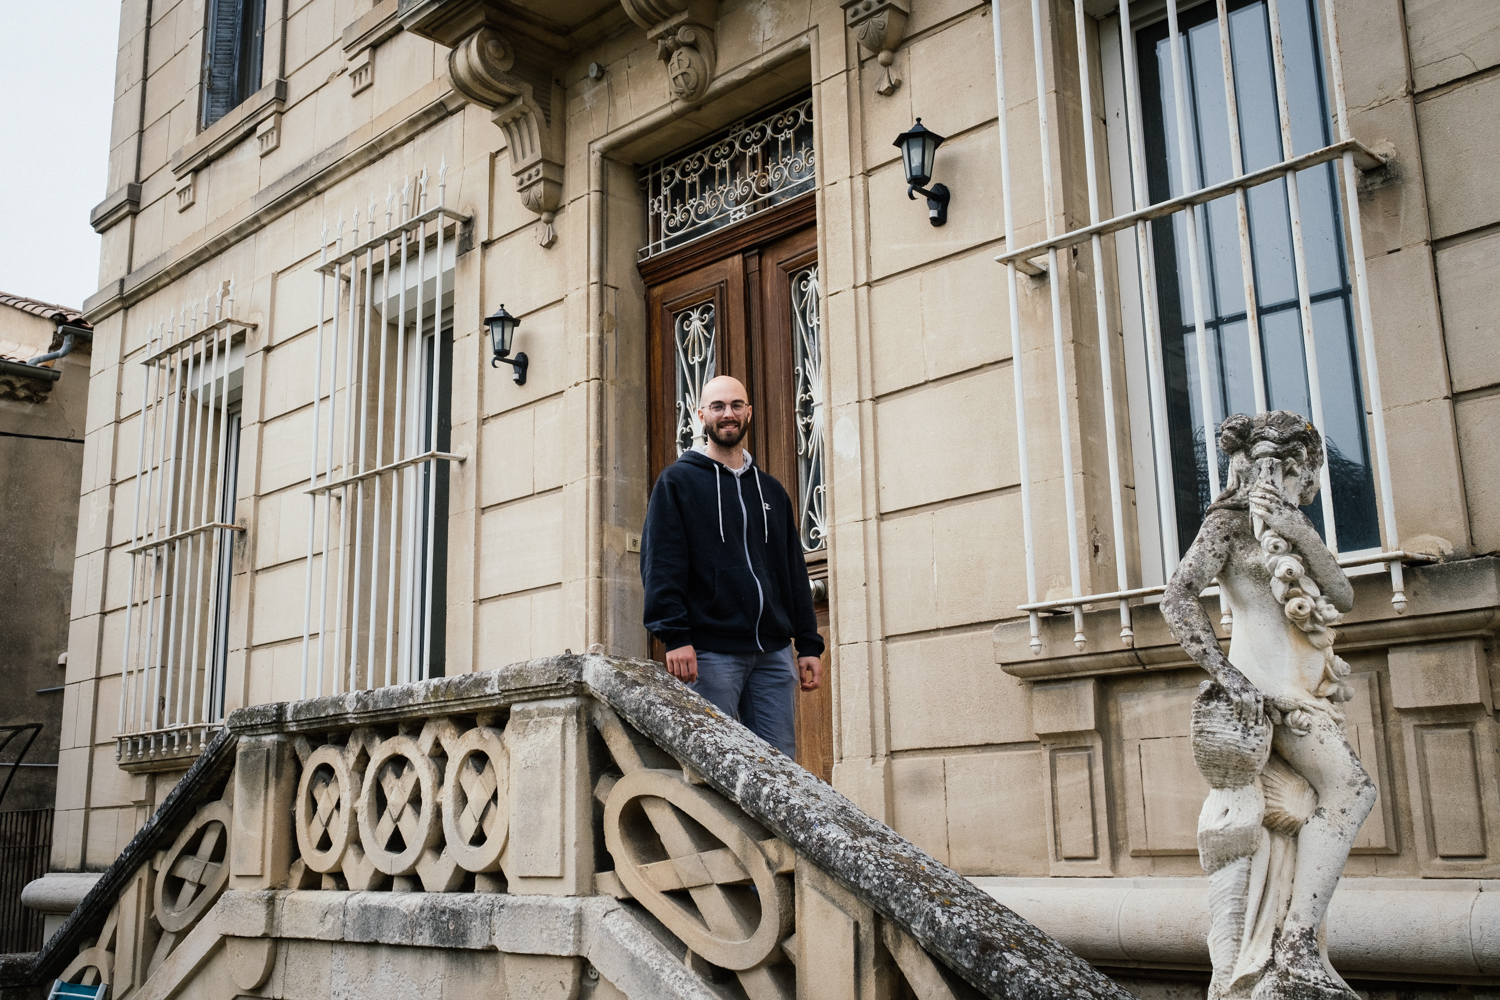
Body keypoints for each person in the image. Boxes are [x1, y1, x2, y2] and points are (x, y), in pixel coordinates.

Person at [640, 375, 823, 759]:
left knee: (781, 770)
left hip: (772, 655)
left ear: (749, 413)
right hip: (709, 654)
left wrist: (808, 644)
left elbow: (792, 571)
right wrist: (674, 636)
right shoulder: (677, 482)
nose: (729, 414)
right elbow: (662, 563)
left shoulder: (771, 490)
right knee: (713, 766)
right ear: (701, 414)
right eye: (719, 407)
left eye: (737, 405)